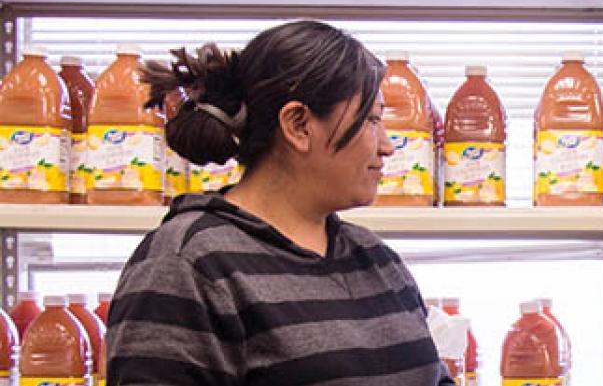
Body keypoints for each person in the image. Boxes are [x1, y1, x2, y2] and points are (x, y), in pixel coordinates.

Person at [105, 20, 453, 385]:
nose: (386, 146)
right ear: (298, 125)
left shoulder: (377, 260)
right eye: (371, 120)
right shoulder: (188, 265)